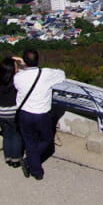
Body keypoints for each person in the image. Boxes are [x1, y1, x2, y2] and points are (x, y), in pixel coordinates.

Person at [14, 49, 66, 180]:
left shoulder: (18, 77)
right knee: (47, 139)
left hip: (24, 114)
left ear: (24, 62)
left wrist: (22, 66)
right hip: (41, 114)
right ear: (38, 61)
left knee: (29, 142)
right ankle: (31, 164)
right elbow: (62, 74)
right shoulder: (46, 74)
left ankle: (35, 168)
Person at [0, 57, 24, 168]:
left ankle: (8, 157)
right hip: (12, 112)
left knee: (7, 135)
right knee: (15, 135)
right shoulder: (16, 81)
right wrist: (22, 62)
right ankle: (16, 159)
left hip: (0, 112)